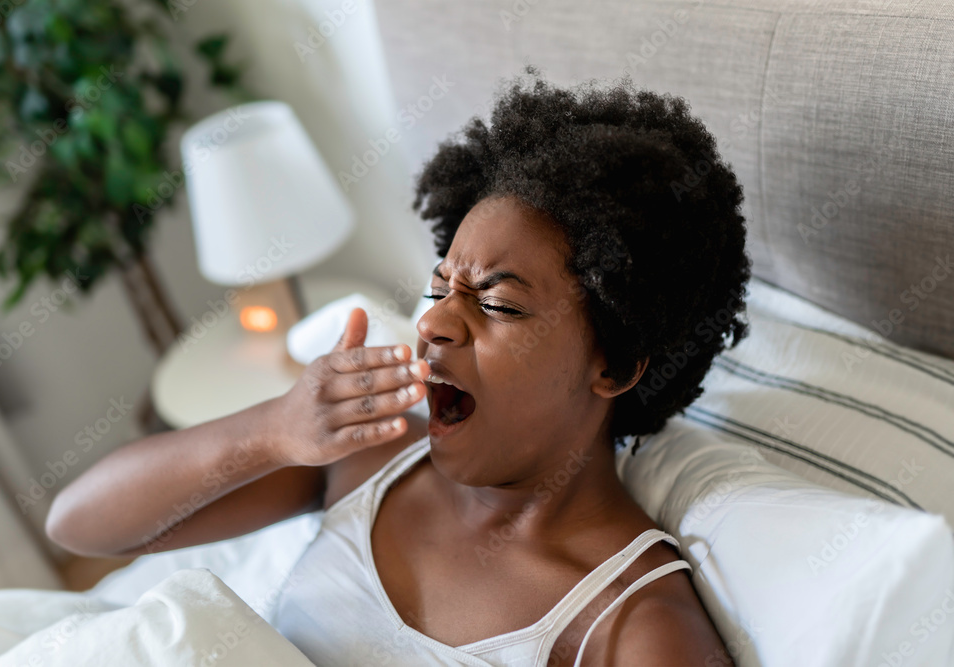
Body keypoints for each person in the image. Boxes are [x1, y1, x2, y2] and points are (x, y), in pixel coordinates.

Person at [47, 68, 749, 666]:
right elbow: (79, 525)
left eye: (498, 304)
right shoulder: (373, 458)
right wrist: (274, 428)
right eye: (441, 286)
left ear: (616, 363)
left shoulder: (629, 621)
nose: (435, 322)